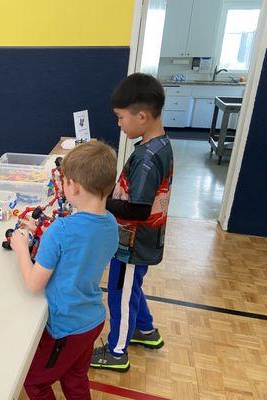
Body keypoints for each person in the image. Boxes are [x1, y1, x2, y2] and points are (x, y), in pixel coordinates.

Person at [10, 141, 119, 399]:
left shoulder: (62, 230)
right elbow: (84, 249)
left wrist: (21, 248)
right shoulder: (111, 224)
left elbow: (34, 283)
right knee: (75, 377)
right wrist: (52, 241)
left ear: (74, 186)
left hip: (66, 327)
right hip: (92, 319)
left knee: (34, 382)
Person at [90, 73, 173, 372]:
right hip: (141, 241)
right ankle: (145, 330)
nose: (118, 123)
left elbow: (137, 209)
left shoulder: (148, 159)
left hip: (133, 244)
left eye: (120, 117)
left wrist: (100, 201)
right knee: (131, 287)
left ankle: (116, 351)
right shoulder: (157, 146)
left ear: (142, 116)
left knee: (120, 294)